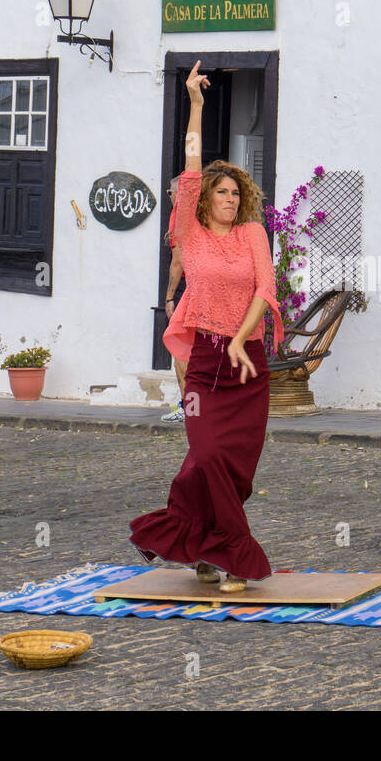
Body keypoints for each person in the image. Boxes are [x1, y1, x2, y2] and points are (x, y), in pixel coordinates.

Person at [129, 60, 283, 593]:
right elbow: (190, 167)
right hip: (203, 367)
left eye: (235, 194)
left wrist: (243, 336)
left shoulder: (253, 236)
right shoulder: (190, 237)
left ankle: (201, 549)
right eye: (221, 194)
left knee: (232, 467)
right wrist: (195, 103)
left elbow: (266, 290)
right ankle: (236, 557)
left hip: (249, 365)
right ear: (202, 201)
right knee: (207, 453)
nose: (230, 200)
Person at [161, 176, 187, 423]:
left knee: (182, 350)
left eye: (170, 192)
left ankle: (187, 406)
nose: (169, 196)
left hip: (187, 287)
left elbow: (178, 261)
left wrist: (169, 297)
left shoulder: (181, 216)